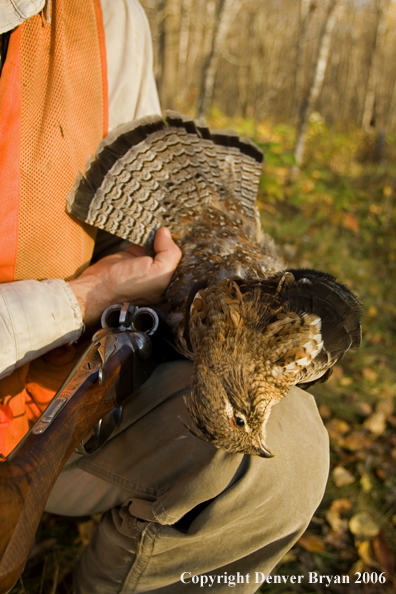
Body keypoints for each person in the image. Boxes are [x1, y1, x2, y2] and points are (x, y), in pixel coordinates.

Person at [0, 1, 330, 592]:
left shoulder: (106, 15)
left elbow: (154, 207)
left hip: (67, 412)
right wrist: (83, 297)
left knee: (282, 451)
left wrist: (215, 277)